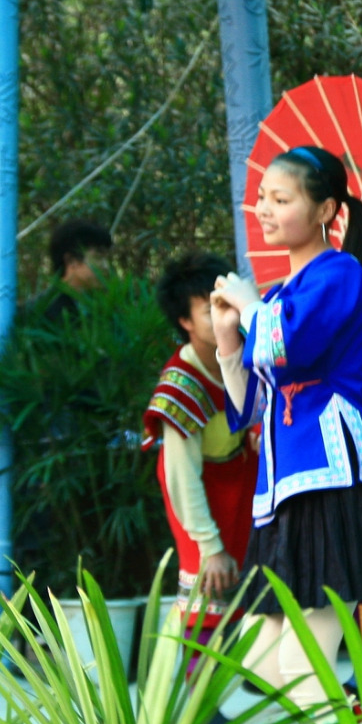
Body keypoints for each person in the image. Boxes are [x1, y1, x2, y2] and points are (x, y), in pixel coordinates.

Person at [210, 145, 362, 714]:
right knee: (257, 661)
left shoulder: (340, 272)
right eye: (261, 198)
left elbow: (289, 347)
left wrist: (250, 309)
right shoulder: (279, 296)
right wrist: (226, 339)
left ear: (325, 210)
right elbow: (252, 405)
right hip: (285, 486)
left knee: (303, 661)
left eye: (281, 199)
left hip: (334, 475)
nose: (264, 209)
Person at [141, 252, 260, 669]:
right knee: (207, 583)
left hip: (243, 478)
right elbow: (180, 477)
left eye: (226, 301)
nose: (223, 313)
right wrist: (209, 546)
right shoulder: (181, 384)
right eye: (209, 309)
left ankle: (259, 668)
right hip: (198, 489)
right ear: (185, 322)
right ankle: (199, 691)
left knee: (256, 580)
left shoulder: (248, 351)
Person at [29, 218, 113, 322]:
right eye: (98, 257)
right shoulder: (42, 312)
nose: (106, 266)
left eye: (107, 258)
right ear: (71, 260)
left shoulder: (100, 308)